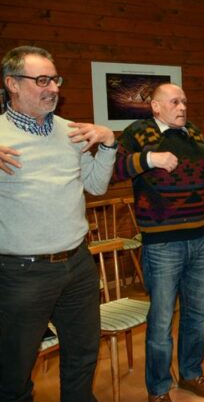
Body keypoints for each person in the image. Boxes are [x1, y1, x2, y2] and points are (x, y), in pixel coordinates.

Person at [0, 45, 116, 401]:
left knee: (83, 355)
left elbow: (95, 185)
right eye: (42, 80)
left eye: (55, 79)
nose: (53, 88)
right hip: (22, 273)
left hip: (78, 265)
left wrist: (108, 144)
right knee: (13, 371)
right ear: (12, 84)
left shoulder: (71, 132)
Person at [112, 83, 204, 402]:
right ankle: (159, 388)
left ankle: (191, 374)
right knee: (162, 320)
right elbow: (115, 170)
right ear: (155, 106)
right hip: (161, 245)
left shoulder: (193, 132)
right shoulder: (137, 132)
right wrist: (149, 159)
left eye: (185, 102)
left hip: (198, 240)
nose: (183, 107)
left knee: (196, 314)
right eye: (175, 102)